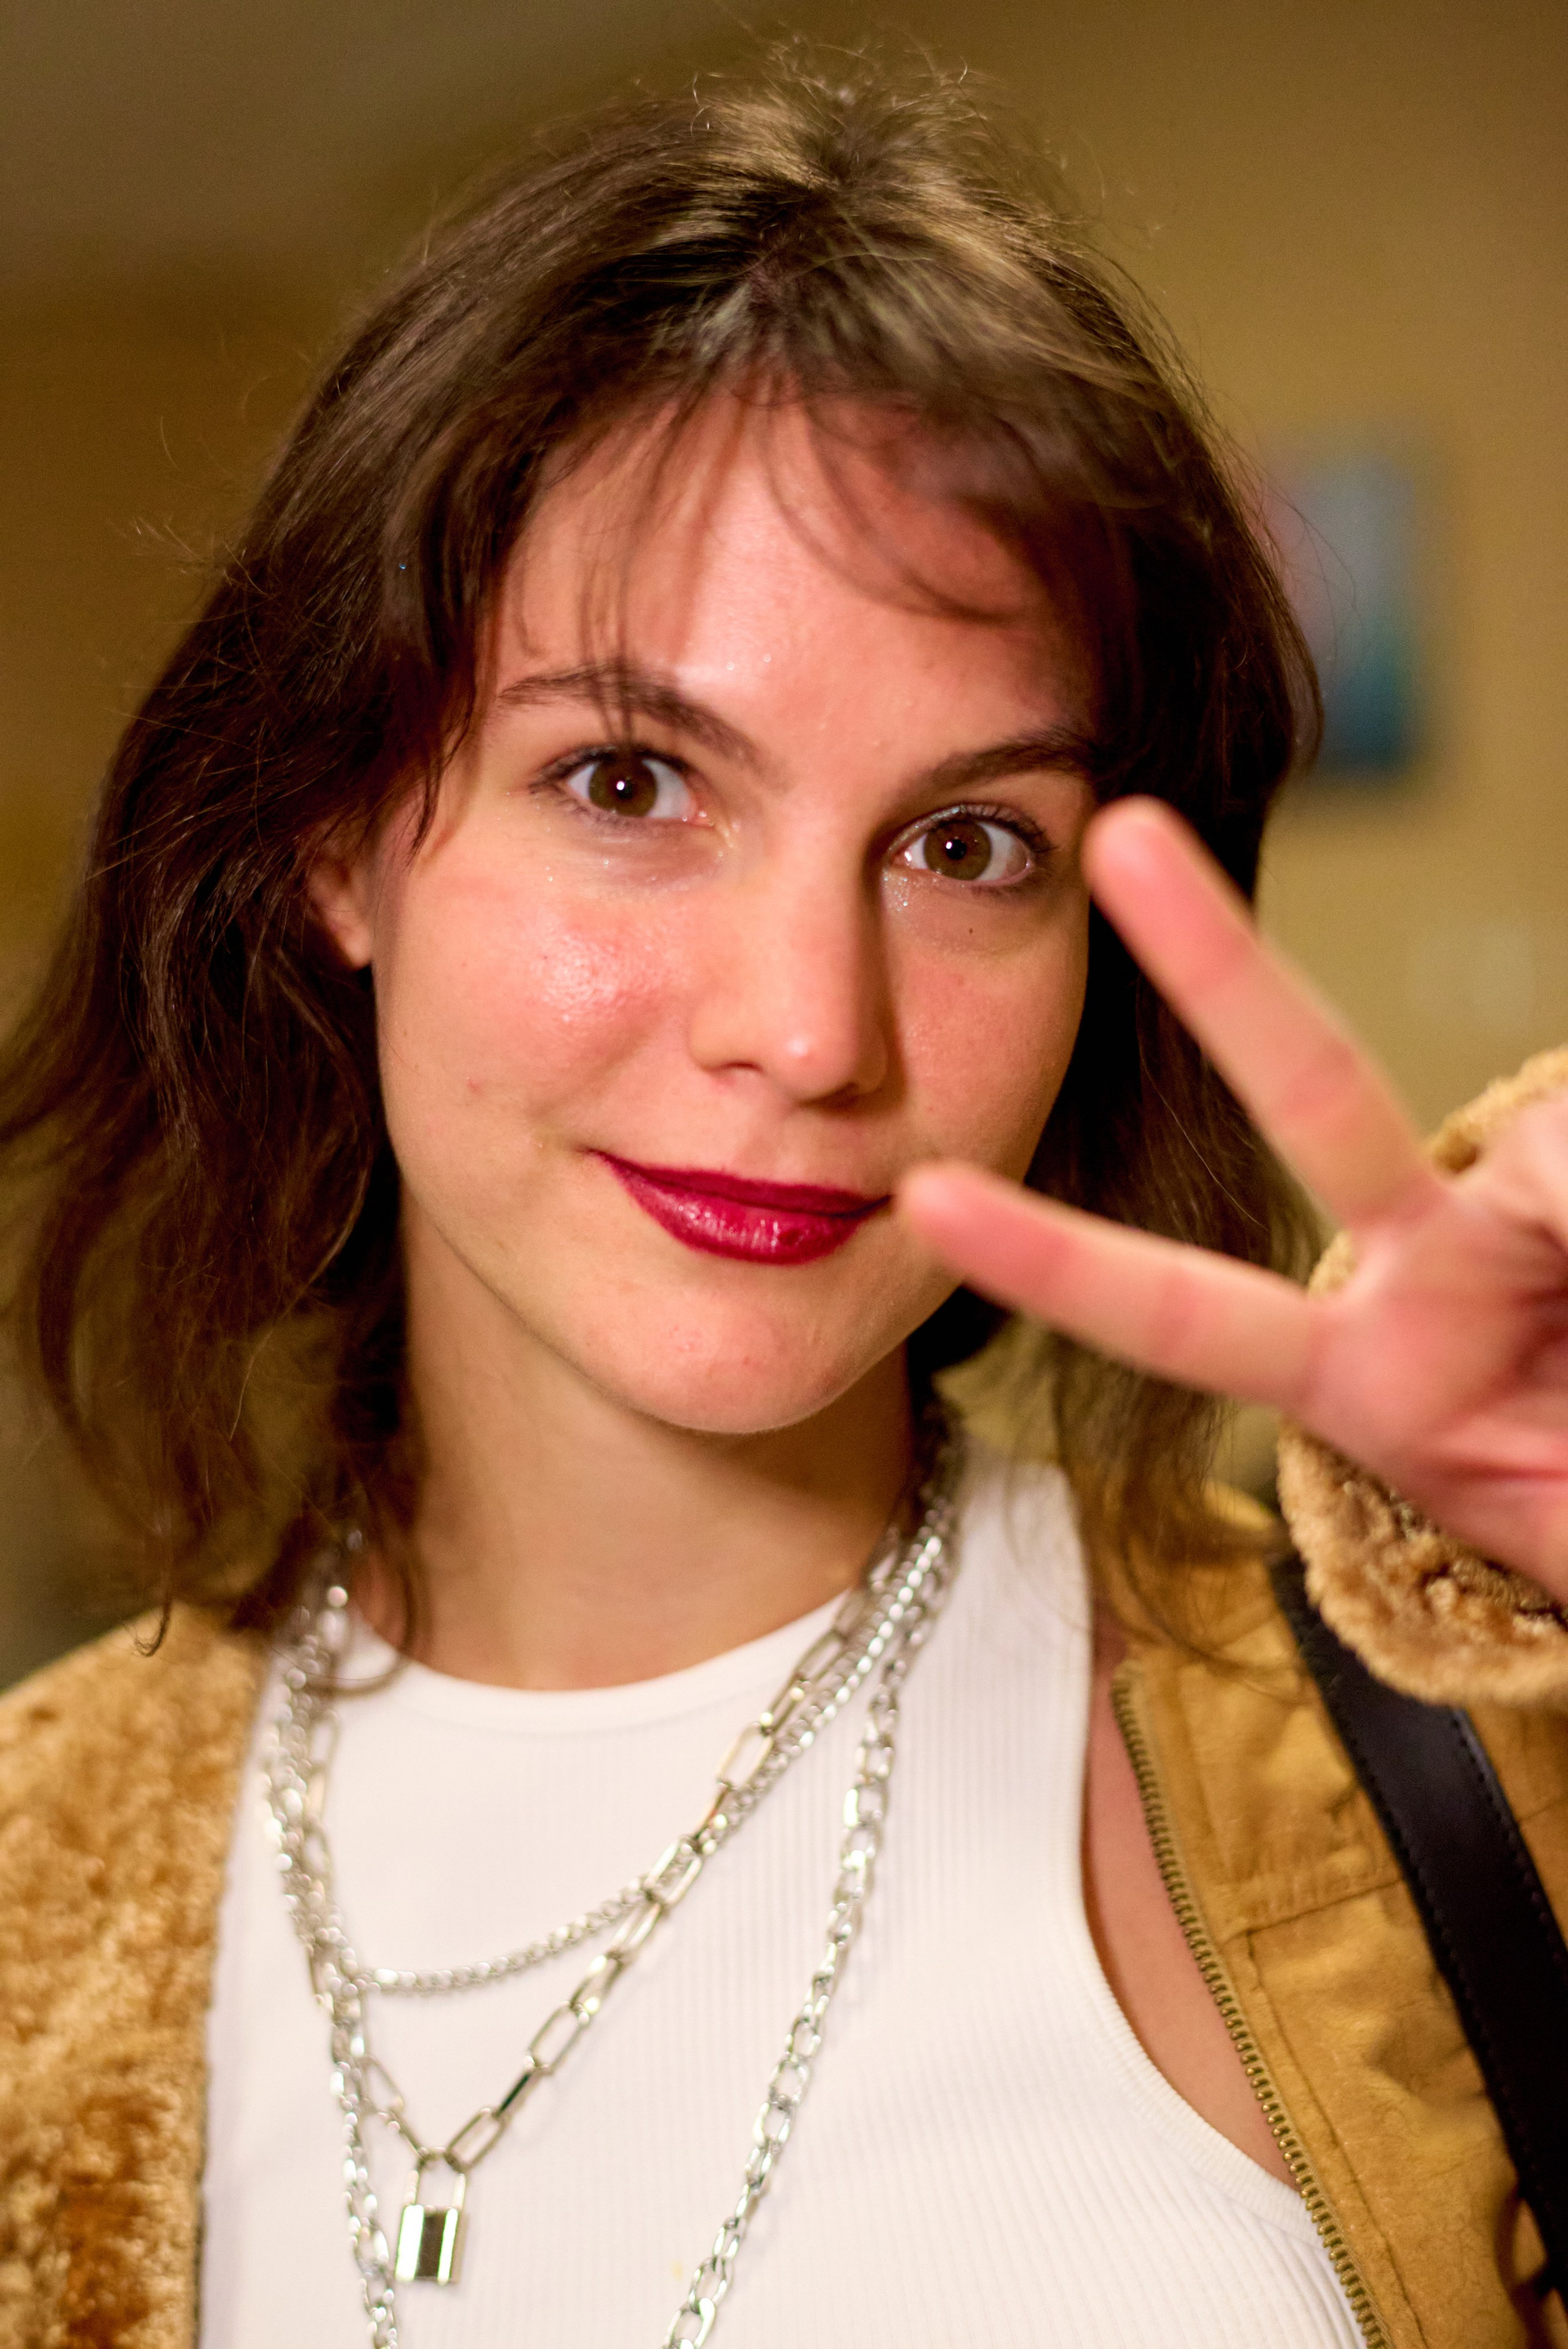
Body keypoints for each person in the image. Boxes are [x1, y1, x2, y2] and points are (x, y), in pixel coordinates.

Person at [0, 50, 1563, 2349]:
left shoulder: (1430, 1763)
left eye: (967, 844)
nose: (813, 1029)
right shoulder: (29, 1904)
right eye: (631, 781)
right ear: (337, 837)